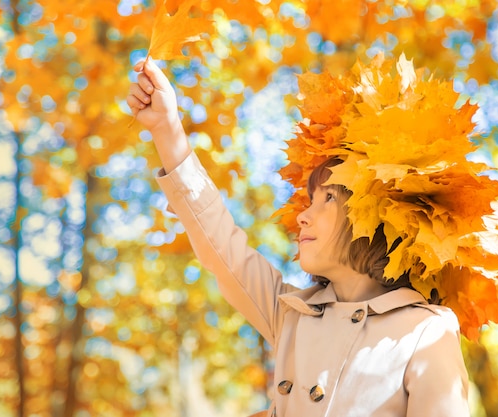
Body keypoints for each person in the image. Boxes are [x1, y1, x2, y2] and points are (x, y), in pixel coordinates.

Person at [127, 57, 470, 416]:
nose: (303, 216)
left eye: (328, 198)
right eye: (310, 199)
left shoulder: (425, 330)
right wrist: (167, 129)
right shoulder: (291, 316)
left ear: (378, 214)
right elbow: (220, 246)